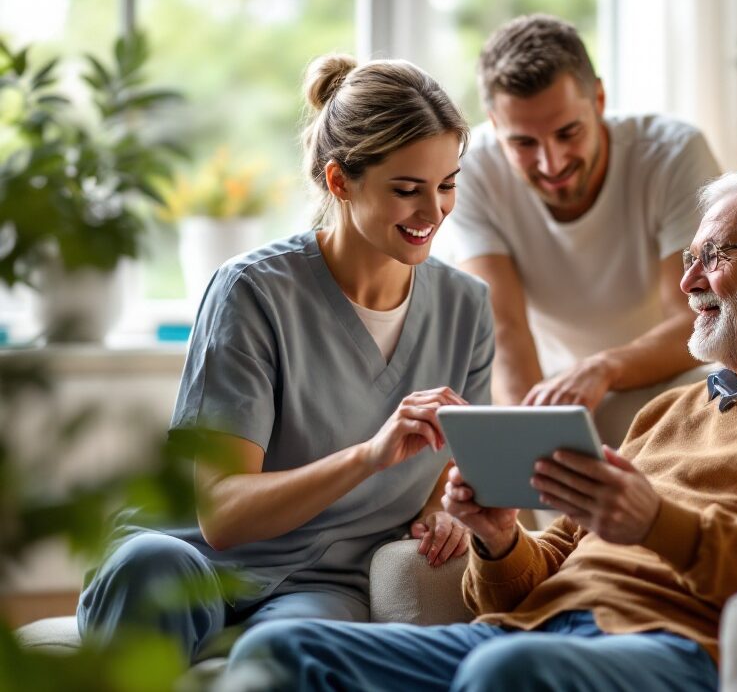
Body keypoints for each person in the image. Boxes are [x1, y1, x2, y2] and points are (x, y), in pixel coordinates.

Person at [223, 163, 737, 691]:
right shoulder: (672, 408)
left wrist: (659, 520)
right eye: (689, 258)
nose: (688, 282)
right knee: (279, 652)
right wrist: (499, 537)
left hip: (681, 650)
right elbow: (535, 576)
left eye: (713, 257)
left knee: (504, 671)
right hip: (531, 634)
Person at [76, 54, 494, 662]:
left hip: (321, 583)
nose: (433, 213)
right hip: (190, 556)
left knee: (288, 651)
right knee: (152, 566)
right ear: (339, 181)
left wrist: (445, 514)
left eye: (448, 184)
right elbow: (223, 514)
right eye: (407, 190)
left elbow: (449, 469)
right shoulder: (251, 291)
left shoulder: (468, 309)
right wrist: (370, 456)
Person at [440, 14, 721, 444]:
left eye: (568, 132)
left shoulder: (673, 153)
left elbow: (693, 317)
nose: (551, 164)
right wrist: (529, 447)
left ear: (600, 101)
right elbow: (505, 329)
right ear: (495, 126)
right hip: (554, 389)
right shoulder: (471, 168)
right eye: (523, 143)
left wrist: (603, 368)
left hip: (676, 377)